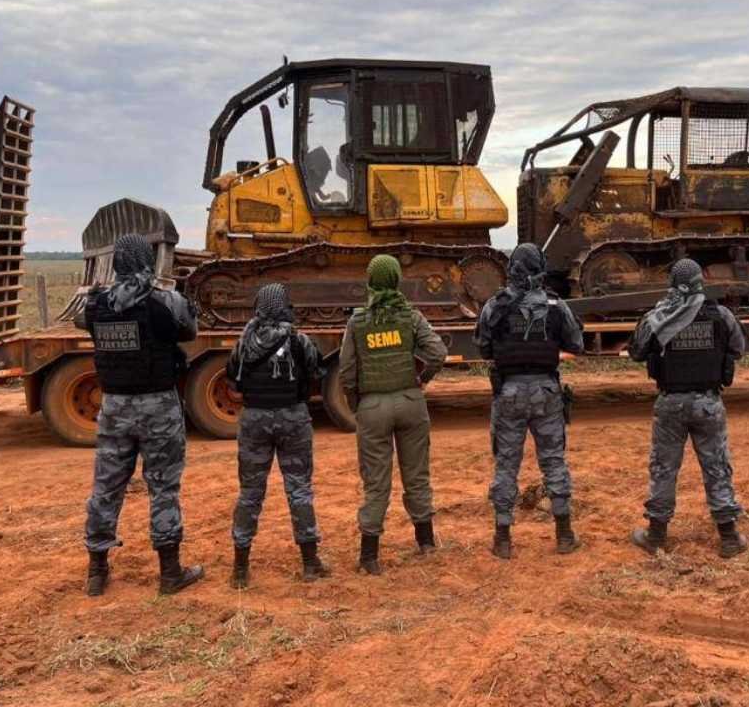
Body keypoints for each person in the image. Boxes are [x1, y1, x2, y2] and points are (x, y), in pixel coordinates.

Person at [78, 233, 204, 597]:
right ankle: (170, 573)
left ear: (117, 263)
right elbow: (189, 331)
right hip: (158, 405)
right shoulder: (166, 301)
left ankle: (97, 573)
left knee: (106, 487)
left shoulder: (96, 304)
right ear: (147, 261)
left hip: (115, 406)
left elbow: (87, 325)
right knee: (163, 486)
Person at [627, 258, 748, 558]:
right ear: (700, 283)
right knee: (717, 467)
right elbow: (738, 349)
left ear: (672, 285)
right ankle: (729, 537)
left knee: (664, 469)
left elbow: (636, 352)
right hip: (708, 403)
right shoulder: (721, 316)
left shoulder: (658, 316)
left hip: (670, 405)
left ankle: (655, 536)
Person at [338, 254, 447, 575]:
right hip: (411, 403)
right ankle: (426, 543)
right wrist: (421, 380)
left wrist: (358, 404)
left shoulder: (358, 322)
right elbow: (438, 353)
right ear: (397, 280)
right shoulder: (411, 318)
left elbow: (346, 371)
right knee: (417, 476)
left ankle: (370, 557)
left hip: (373, 407)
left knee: (376, 484)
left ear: (370, 281)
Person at [474, 243, 584, 559]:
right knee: (553, 461)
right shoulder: (555, 306)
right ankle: (564, 535)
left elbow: (483, 347)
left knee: (506, 464)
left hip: (509, 393)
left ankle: (503, 539)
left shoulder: (495, 307)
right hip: (547, 393)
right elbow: (575, 343)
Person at [226, 283, 328, 588]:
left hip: (254, 419)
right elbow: (315, 375)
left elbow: (233, 385)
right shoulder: (299, 340)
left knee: (250, 494)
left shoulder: (244, 342)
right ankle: (310, 564)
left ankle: (240, 569)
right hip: (293, 417)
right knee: (299, 489)